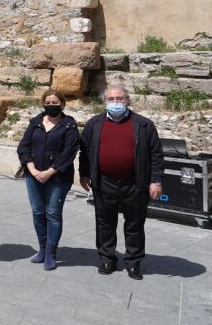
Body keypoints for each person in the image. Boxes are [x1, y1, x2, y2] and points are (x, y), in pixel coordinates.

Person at [79, 85, 164, 280]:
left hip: (135, 183)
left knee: (134, 224)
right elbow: (86, 151)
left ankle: (133, 262)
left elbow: (156, 154)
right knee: (105, 223)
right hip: (104, 182)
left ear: (127, 100)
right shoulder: (94, 123)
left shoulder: (144, 125)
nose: (115, 102)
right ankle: (107, 259)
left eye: (120, 98)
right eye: (111, 99)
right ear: (104, 101)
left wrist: (156, 180)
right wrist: (84, 174)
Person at [17, 89, 80, 271]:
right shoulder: (36, 122)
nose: (51, 106)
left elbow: (69, 153)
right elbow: (24, 147)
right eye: (48, 103)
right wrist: (32, 169)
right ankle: (43, 249)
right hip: (33, 175)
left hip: (58, 178)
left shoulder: (69, 125)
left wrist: (49, 172)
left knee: (53, 214)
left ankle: (51, 253)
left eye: (55, 103)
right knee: (38, 212)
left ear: (62, 104)